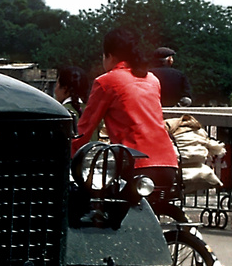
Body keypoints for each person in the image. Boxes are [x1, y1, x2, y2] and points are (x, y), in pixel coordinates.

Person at [73, 28, 178, 173]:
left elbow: (84, 130)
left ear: (109, 56)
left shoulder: (106, 82)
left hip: (135, 164)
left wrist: (67, 156)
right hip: (168, 163)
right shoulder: (152, 80)